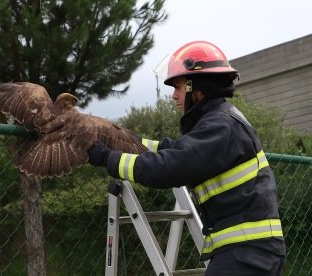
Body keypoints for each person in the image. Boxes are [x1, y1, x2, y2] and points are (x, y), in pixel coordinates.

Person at [87, 41, 286, 275]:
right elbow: (174, 151)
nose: (174, 95)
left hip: (245, 254)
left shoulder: (220, 126)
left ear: (196, 86)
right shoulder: (221, 122)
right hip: (251, 253)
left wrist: (108, 158)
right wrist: (124, 140)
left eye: (178, 86)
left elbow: (169, 167)